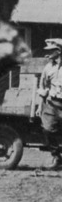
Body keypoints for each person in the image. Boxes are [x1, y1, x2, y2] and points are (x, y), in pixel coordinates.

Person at [35, 38, 62, 168]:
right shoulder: (48, 68)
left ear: (59, 51)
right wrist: (40, 105)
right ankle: (57, 156)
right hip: (53, 104)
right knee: (47, 130)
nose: (48, 53)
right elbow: (43, 88)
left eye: (51, 51)